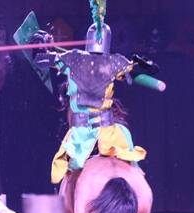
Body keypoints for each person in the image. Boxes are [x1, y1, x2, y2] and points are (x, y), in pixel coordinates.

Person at [31, 22, 149, 184]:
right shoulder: (115, 62)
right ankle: (136, 175)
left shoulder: (72, 58)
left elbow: (40, 61)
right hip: (109, 133)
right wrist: (141, 65)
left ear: (89, 39)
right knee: (126, 138)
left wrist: (40, 46)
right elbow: (136, 72)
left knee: (67, 167)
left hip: (80, 134)